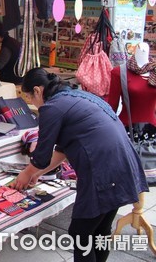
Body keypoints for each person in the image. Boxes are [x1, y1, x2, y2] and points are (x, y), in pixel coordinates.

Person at [12, 68, 148, 262]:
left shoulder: (52, 107)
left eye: (29, 97)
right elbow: (62, 151)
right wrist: (37, 174)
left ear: (37, 90)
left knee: (80, 233)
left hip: (102, 170)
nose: (32, 103)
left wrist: (27, 172)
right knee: (100, 230)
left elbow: (41, 156)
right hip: (124, 164)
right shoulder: (79, 96)